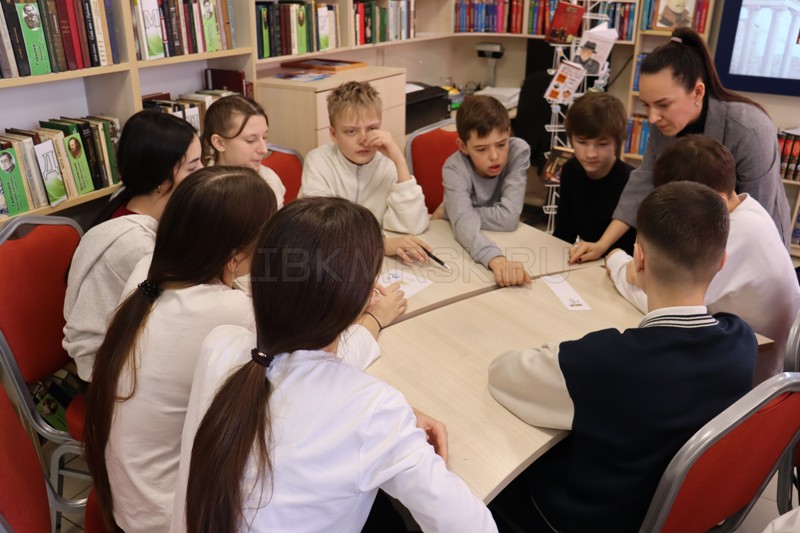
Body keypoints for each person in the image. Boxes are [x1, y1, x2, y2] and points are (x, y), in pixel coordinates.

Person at [170, 197, 497, 533]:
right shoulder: (374, 411)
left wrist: (394, 416)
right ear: (362, 295)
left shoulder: (219, 344)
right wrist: (390, 418)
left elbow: (300, 376)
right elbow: (474, 528)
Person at [487, 181, 757, 532]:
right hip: (673, 513)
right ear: (721, 262)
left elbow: (503, 373)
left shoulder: (604, 363)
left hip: (585, 519)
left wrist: (565, 351)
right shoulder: (742, 340)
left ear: (639, 258)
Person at [83, 167, 277, 532]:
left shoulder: (148, 273)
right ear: (234, 257)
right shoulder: (228, 311)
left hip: (131, 501)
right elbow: (301, 368)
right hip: (170, 516)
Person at [570, 27, 791, 264]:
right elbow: (643, 182)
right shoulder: (662, 123)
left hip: (755, 245)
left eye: (663, 105)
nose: (653, 117)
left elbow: (757, 215)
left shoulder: (750, 128)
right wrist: (602, 244)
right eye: (646, 105)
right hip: (701, 236)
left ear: (697, 92)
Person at [606, 135, 799, 385]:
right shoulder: (750, 210)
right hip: (736, 356)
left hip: (747, 383)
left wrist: (617, 262)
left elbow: (664, 306)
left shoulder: (734, 233)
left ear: (716, 199)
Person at [63, 111, 202, 381]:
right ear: (162, 180)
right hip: (111, 374)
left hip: (134, 351)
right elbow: (173, 313)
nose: (203, 173)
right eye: (192, 168)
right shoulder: (135, 243)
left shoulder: (133, 203)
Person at [299, 81, 431, 265]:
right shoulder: (318, 161)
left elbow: (413, 225)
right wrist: (380, 244)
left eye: (372, 129)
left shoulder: (388, 163)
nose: (363, 140)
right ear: (334, 134)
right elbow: (320, 230)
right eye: (351, 131)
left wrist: (400, 162)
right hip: (332, 261)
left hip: (379, 263)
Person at [439, 94, 531, 287]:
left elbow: (509, 218)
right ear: (463, 146)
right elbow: (463, 224)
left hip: (506, 240)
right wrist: (496, 259)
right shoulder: (454, 167)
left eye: (501, 144)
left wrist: (451, 212)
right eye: (481, 149)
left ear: (509, 134)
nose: (494, 156)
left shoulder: (518, 151)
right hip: (470, 245)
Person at [554, 92, 636, 255]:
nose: (591, 154)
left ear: (617, 143)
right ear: (571, 139)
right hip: (586, 260)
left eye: (602, 144)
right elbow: (564, 233)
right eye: (582, 142)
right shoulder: (571, 170)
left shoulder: (632, 181)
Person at [201, 94, 286, 208]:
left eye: (265, 137)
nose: (264, 149)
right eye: (251, 140)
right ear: (219, 143)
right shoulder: (204, 193)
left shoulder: (270, 179)